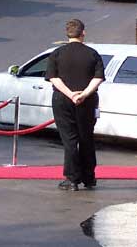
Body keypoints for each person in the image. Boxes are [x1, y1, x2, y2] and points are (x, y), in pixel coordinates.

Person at [45, 19, 105, 191]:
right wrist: (84, 93)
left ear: (67, 34)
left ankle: (72, 179)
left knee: (69, 139)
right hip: (88, 100)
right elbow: (98, 78)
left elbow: (54, 78)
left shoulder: (57, 54)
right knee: (86, 138)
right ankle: (89, 177)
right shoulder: (92, 54)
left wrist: (70, 94)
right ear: (83, 33)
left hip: (63, 100)